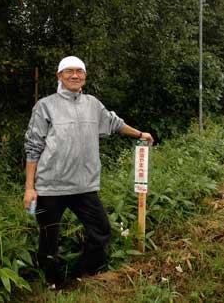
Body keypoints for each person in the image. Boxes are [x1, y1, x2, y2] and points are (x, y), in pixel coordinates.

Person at [23, 56, 153, 289]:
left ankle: (80, 274)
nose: (75, 75)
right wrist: (30, 188)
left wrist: (140, 134)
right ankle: (52, 282)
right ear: (59, 76)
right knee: (48, 238)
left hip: (84, 186)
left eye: (80, 71)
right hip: (51, 186)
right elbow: (33, 147)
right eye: (69, 71)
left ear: (84, 76)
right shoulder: (45, 105)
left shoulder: (92, 104)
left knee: (101, 231)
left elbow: (114, 123)